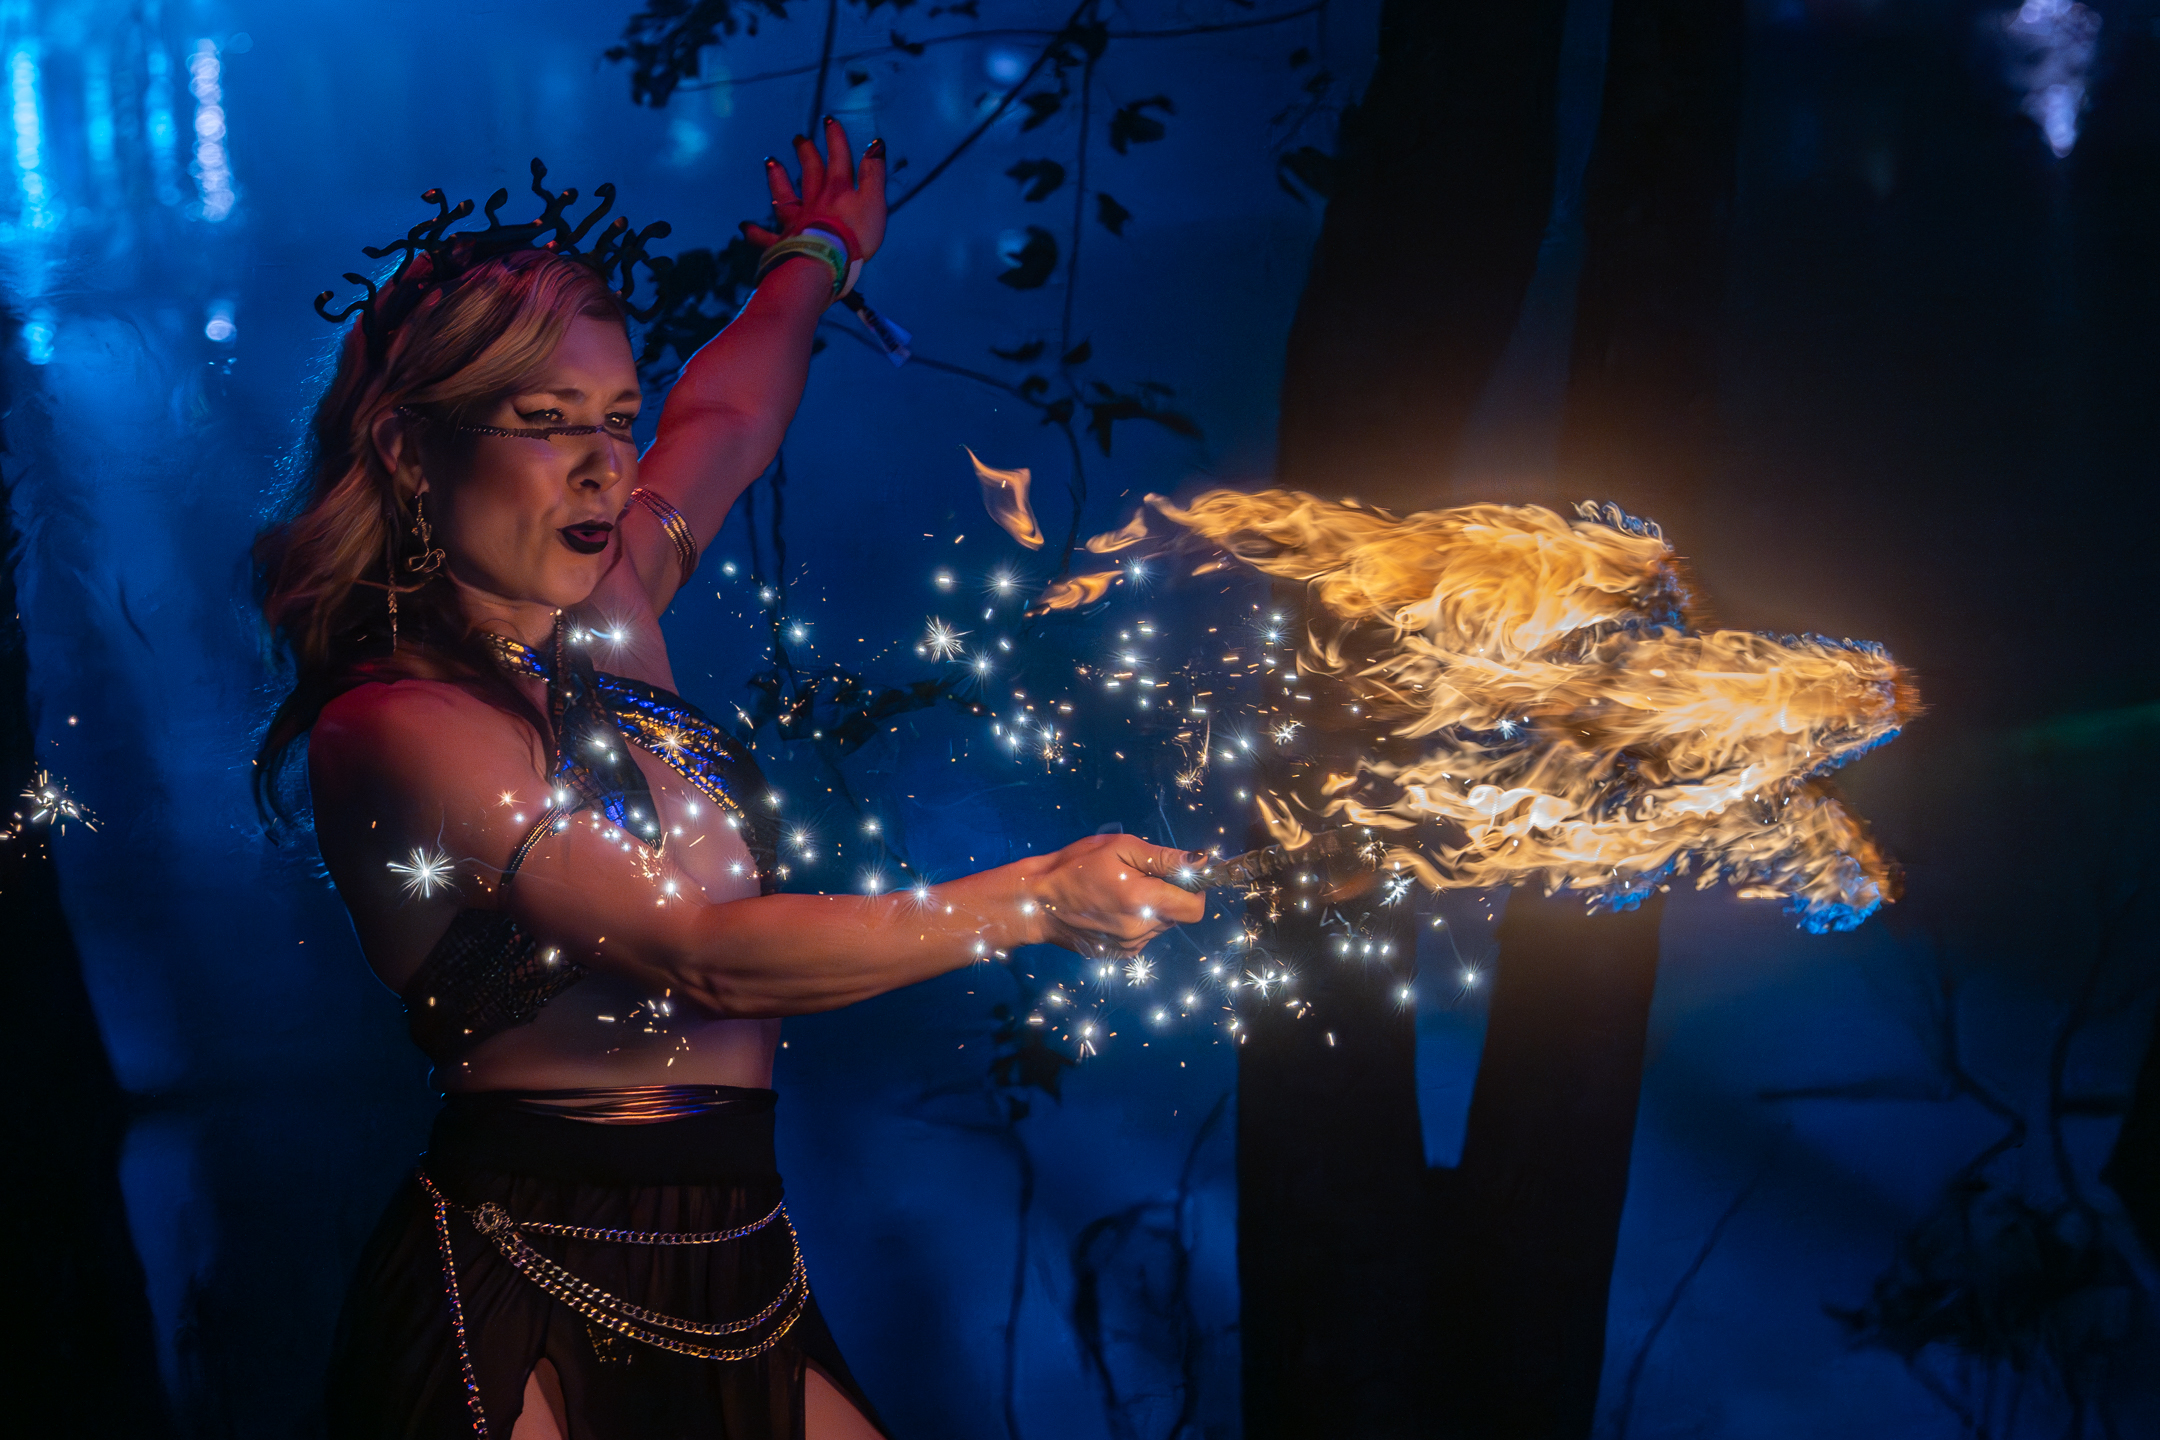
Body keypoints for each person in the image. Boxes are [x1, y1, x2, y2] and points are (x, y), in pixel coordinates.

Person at [254, 119, 1204, 1439]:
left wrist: (815, 257)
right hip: (517, 1279)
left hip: (743, 1261)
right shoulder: (397, 723)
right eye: (546, 424)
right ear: (413, 452)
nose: (606, 462)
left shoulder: (614, 601)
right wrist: (1034, 899)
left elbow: (728, 414)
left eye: (614, 419)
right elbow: (700, 956)